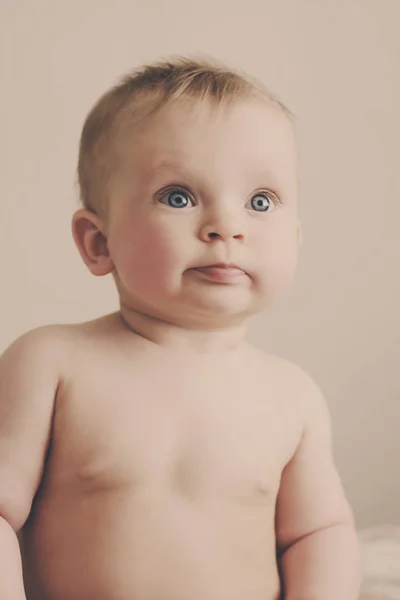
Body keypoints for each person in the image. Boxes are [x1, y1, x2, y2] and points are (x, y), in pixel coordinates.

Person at [0, 55, 362, 600]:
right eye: (179, 196)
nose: (227, 227)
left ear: (296, 237)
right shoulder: (52, 363)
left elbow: (318, 534)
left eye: (260, 201)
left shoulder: (293, 397)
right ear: (98, 243)